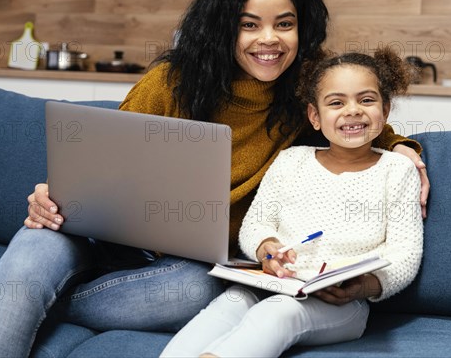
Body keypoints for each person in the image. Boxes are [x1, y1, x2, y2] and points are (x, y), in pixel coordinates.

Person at [0, 0, 428, 357]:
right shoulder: (172, 82)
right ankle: (13, 295)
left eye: (285, 24)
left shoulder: (302, 99)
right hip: (95, 231)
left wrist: (405, 147)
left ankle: (1, 298)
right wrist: (52, 194)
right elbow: (102, 154)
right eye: (249, 25)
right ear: (225, 29)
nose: (269, 39)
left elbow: (359, 120)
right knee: (33, 251)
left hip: (180, 267)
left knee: (195, 292)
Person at [160, 46, 424, 357]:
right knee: (226, 305)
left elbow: (406, 255)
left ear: (386, 110)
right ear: (315, 116)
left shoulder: (397, 170)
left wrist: (365, 286)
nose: (352, 110)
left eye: (366, 100)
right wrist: (265, 247)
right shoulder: (290, 161)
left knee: (277, 312)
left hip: (344, 306)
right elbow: (256, 224)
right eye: (336, 102)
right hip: (275, 283)